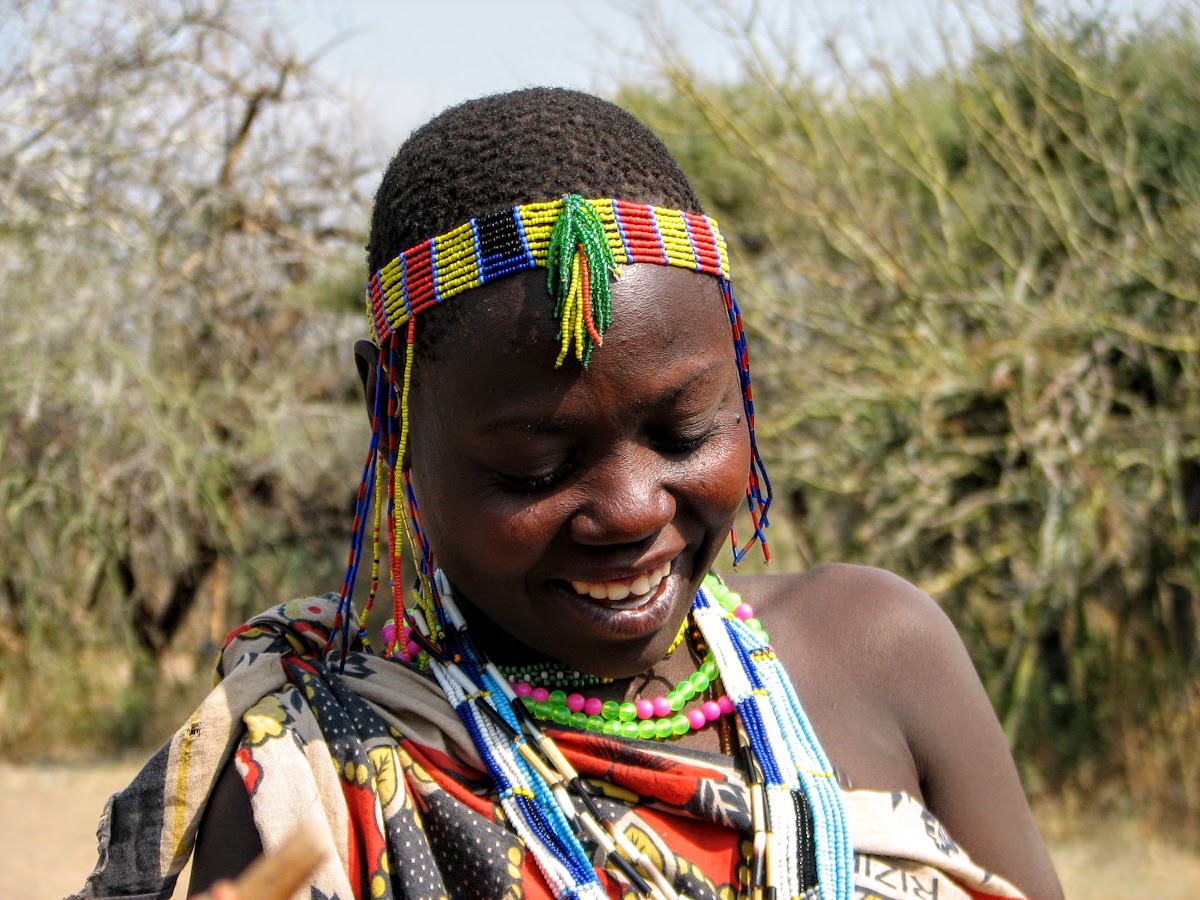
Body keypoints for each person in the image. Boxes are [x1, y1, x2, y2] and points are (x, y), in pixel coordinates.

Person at [73, 88, 1063, 900]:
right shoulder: (318, 769)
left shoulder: (879, 650)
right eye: (536, 470)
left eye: (685, 433)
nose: (634, 509)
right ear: (392, 407)